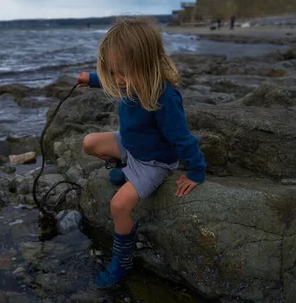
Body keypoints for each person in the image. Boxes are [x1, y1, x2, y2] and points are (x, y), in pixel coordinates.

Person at [75, 17, 206, 290]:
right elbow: (115, 77)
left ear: (147, 64)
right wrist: (93, 79)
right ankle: (124, 168)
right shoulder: (127, 81)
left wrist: (196, 171)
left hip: (154, 162)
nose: (118, 81)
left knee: (118, 205)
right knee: (89, 142)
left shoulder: (165, 97)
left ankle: (122, 260)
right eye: (112, 73)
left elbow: (182, 138)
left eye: (124, 73)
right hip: (132, 146)